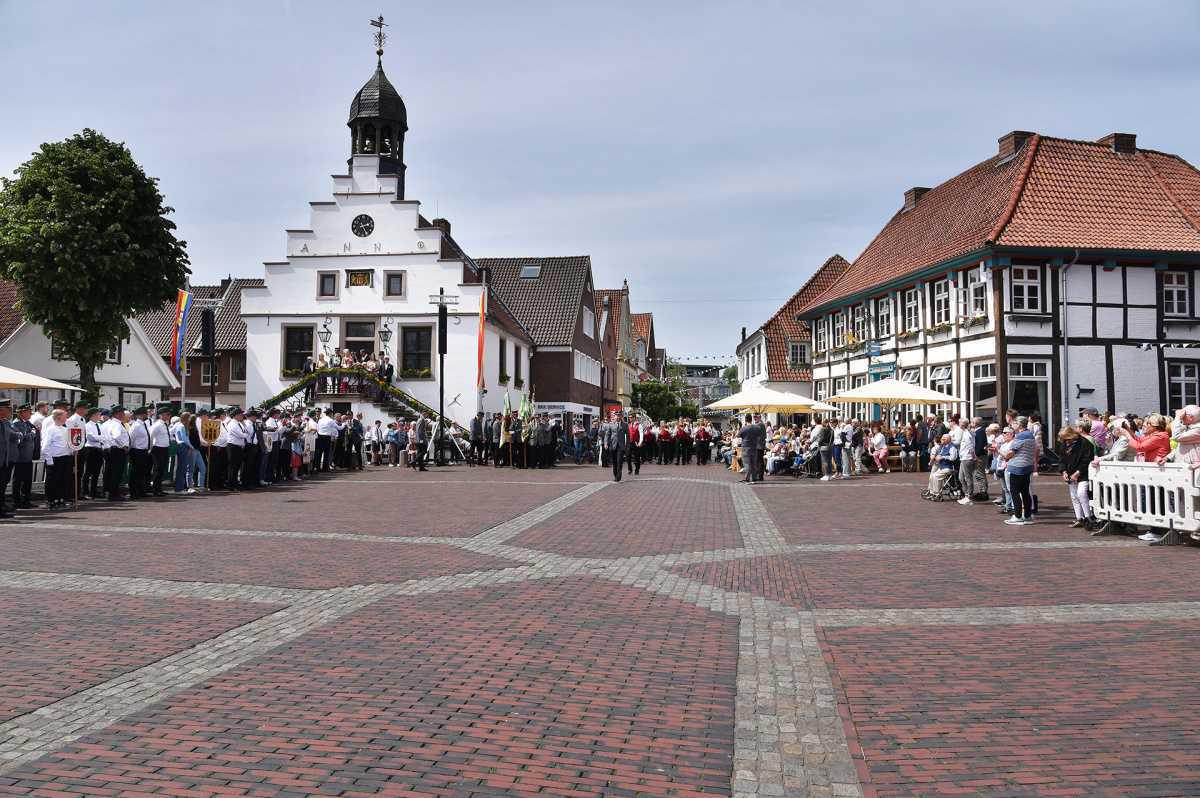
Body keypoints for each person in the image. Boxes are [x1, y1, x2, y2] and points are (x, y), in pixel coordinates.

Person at [1055, 425, 1095, 529]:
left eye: (1067, 439)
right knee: (1074, 496)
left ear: (1071, 435)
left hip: (1083, 473)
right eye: (1064, 440)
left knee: (1081, 493)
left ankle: (1088, 517)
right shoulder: (1064, 444)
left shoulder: (1084, 443)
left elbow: (1087, 460)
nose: (1066, 442)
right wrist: (1063, 471)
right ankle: (1079, 518)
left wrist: (1078, 472)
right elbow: (1061, 459)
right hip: (1070, 473)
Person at [1002, 416, 1037, 525]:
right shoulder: (1030, 434)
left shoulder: (1020, 436)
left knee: (1014, 492)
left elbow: (1010, 453)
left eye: (1014, 424)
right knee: (1025, 492)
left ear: (1019, 425)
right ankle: (1027, 515)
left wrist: (1001, 452)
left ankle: (1017, 516)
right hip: (1027, 466)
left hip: (1017, 467)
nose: (1012, 426)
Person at [41, 409, 71, 509]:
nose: (66, 418)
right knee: (52, 481)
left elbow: (67, 444)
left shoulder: (65, 429)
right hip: (54, 459)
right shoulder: (50, 429)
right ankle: (50, 500)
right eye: (65, 416)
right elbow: (45, 446)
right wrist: (49, 460)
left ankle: (60, 499)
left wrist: (72, 450)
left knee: (63, 480)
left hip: (64, 457)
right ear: (58, 417)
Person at [101, 405, 130, 501]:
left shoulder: (106, 424)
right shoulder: (117, 424)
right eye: (122, 413)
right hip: (117, 450)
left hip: (108, 450)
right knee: (116, 472)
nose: (123, 415)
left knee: (109, 472)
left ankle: (107, 491)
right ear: (117, 414)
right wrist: (124, 446)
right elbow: (116, 436)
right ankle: (114, 493)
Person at [11, 405, 37, 509]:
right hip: (20, 457)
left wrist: (32, 432)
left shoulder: (28, 423)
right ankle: (17, 501)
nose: (30, 413)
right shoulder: (16, 423)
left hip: (28, 456)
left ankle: (26, 500)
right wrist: (33, 434)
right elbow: (22, 437)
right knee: (18, 480)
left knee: (27, 480)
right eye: (28, 412)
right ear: (21, 413)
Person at [127, 406, 152, 499]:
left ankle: (141, 491)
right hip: (137, 451)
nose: (146, 415)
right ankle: (133, 492)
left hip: (143, 451)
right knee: (135, 472)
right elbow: (131, 438)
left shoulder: (143, 424)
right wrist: (131, 450)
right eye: (145, 413)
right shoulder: (136, 425)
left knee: (142, 472)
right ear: (140, 415)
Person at [82, 407, 106, 499]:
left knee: (96, 472)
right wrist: (101, 438)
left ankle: (94, 491)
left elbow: (104, 436)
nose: (99, 416)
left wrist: (100, 438)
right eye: (98, 414)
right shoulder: (88, 425)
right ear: (93, 415)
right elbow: (91, 437)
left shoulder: (99, 425)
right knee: (88, 471)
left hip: (99, 449)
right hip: (90, 449)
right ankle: (85, 491)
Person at [149, 405, 172, 497]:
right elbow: (150, 436)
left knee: (162, 470)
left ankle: (159, 488)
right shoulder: (157, 424)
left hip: (164, 448)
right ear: (161, 415)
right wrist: (150, 448)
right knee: (158, 469)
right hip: (158, 448)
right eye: (167, 414)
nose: (169, 416)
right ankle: (155, 489)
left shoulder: (164, 424)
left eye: (169, 414)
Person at [602, 410, 630, 482]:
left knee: (619, 461)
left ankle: (618, 476)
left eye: (619, 415)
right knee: (614, 461)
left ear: (621, 416)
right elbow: (607, 434)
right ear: (615, 416)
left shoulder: (625, 425)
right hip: (613, 445)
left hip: (621, 446)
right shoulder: (611, 424)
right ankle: (615, 474)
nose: (618, 416)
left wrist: (627, 445)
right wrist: (605, 443)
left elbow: (628, 436)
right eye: (616, 415)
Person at [741, 413, 765, 483]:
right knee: (757, 461)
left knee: (759, 462)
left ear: (759, 417)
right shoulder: (759, 425)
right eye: (754, 417)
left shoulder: (759, 425)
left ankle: (759, 476)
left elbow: (761, 436)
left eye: (756, 417)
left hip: (758, 445)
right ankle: (757, 476)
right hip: (757, 445)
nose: (754, 418)